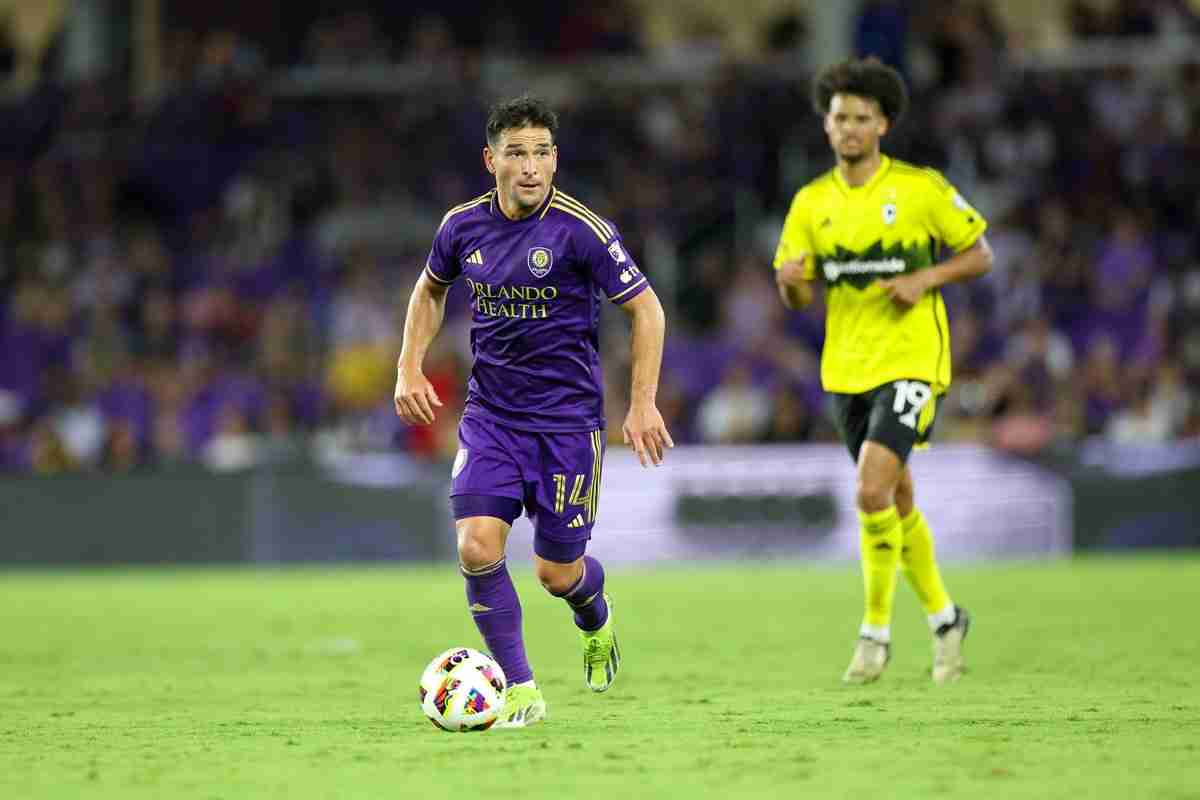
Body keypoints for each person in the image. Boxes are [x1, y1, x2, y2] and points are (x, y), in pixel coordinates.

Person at [394, 95, 673, 726]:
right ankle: (520, 689)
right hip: (491, 418)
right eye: (516, 153)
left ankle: (594, 617)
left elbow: (646, 309)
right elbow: (430, 289)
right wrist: (408, 364)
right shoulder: (461, 226)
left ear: (555, 159)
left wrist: (643, 403)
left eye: (542, 153)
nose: (530, 166)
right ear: (491, 160)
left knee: (556, 572)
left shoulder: (582, 231)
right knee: (475, 546)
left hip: (568, 427)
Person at [773, 58, 993, 684]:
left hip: (913, 360)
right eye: (839, 117)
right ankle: (948, 620)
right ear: (827, 124)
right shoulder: (811, 203)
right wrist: (789, 285)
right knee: (895, 499)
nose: (848, 127)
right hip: (846, 369)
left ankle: (873, 635)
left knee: (871, 490)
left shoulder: (920, 189)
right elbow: (800, 295)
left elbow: (979, 253)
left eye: (861, 118)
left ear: (883, 125)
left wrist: (925, 277)